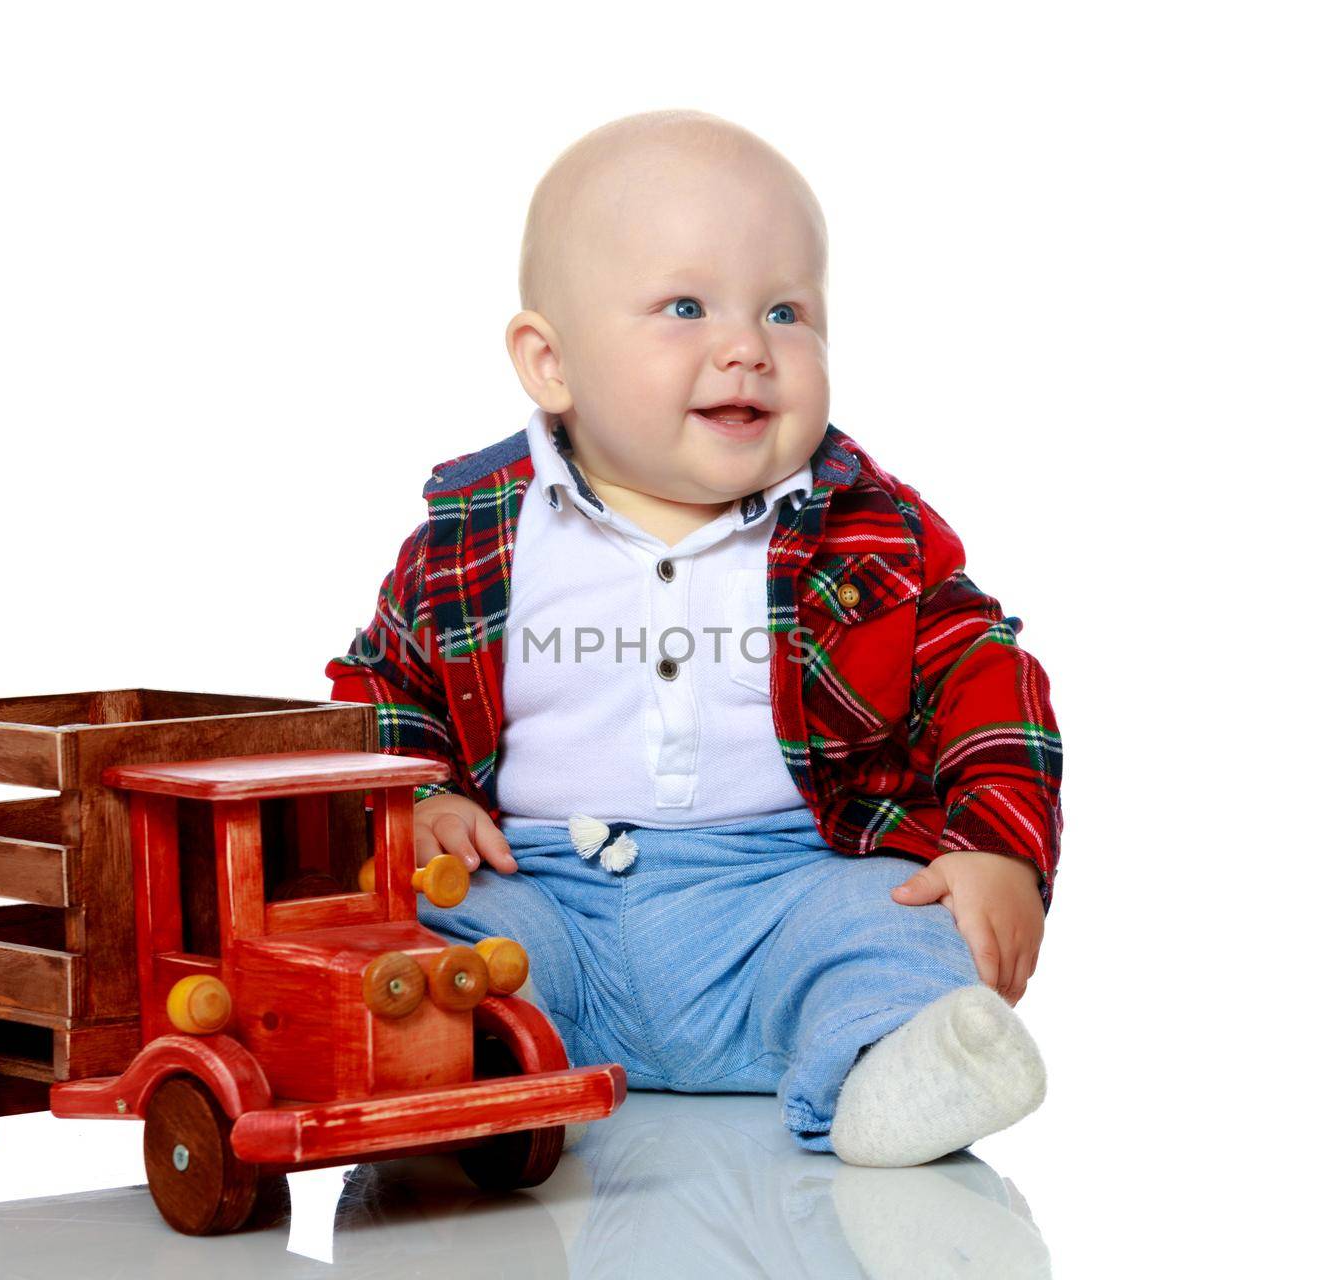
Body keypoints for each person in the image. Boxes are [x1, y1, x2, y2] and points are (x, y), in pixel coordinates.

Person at [325, 109, 1063, 1166]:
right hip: (543, 891)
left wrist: (995, 844)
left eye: (786, 310)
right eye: (685, 305)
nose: (747, 348)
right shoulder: (474, 530)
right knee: (428, 945)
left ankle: (894, 1060)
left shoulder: (866, 529)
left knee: (892, 925)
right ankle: (475, 1072)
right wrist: (420, 800)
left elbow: (983, 674)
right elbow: (384, 686)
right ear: (550, 362)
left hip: (784, 888)